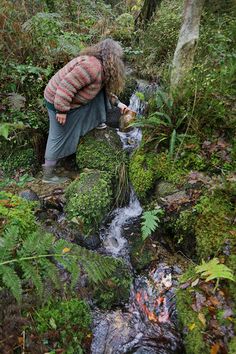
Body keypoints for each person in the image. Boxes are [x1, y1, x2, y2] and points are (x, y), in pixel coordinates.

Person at [42, 38, 128, 184]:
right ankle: (47, 176)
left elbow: (103, 92)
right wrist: (61, 110)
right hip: (56, 100)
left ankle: (98, 122)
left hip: (65, 100)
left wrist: (119, 104)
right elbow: (66, 87)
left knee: (98, 98)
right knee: (58, 136)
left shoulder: (101, 68)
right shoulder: (91, 67)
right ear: (112, 57)